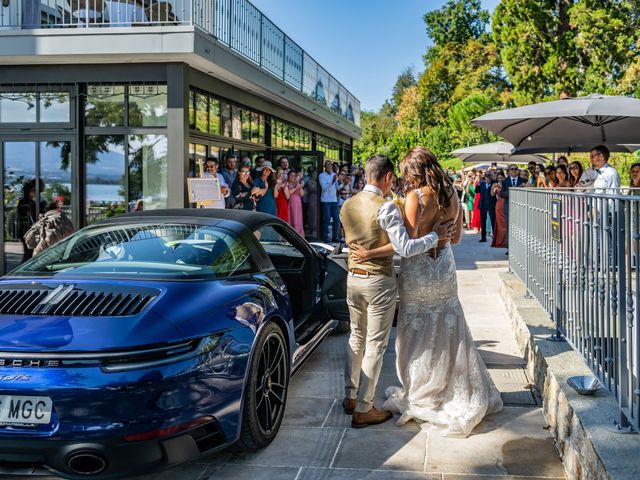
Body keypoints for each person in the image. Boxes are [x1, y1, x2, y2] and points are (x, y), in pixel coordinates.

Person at [349, 148, 502, 436]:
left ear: (414, 170)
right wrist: (438, 236)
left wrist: (369, 252)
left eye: (407, 171)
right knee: (447, 327)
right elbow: (454, 238)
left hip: (418, 272)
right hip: (444, 267)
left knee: (415, 332)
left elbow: (405, 244)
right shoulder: (451, 193)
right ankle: (450, 390)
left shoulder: (415, 197)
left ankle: (422, 394)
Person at [339, 153, 456, 428]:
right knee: (375, 345)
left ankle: (350, 395)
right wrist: (434, 237)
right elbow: (404, 247)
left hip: (352, 278)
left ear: (366, 175)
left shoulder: (347, 205)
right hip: (378, 280)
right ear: (388, 177)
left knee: (356, 336)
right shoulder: (388, 207)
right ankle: (364, 409)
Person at [501, 164, 525, 252]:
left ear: (518, 171)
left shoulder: (523, 180)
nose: (514, 170)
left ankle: (520, 246)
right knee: (509, 228)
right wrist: (512, 190)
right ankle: (509, 248)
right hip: (508, 207)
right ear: (509, 172)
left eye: (516, 169)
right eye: (512, 169)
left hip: (520, 207)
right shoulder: (505, 181)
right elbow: (502, 194)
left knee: (520, 228)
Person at [319, 160, 341, 243]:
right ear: (325, 166)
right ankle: (325, 237)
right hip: (326, 200)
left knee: (336, 219)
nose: (329, 166)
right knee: (327, 219)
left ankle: (335, 237)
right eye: (327, 165)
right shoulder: (321, 175)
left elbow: (337, 188)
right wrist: (332, 181)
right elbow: (324, 188)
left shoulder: (334, 175)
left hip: (334, 200)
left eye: (330, 165)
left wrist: (344, 184)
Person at [477, 172, 494, 243]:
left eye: (489, 176)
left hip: (491, 204)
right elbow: (476, 191)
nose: (487, 178)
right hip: (483, 204)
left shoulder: (493, 183)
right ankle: (483, 237)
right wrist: (478, 183)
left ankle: (494, 237)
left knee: (493, 220)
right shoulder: (482, 184)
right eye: (486, 176)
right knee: (483, 221)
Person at [491, 171, 507, 248]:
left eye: (501, 178)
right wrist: (494, 189)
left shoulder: (506, 184)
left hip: (505, 204)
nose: (500, 179)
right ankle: (500, 241)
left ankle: (505, 241)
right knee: (499, 223)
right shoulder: (495, 184)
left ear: (504, 177)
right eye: (499, 178)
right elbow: (492, 194)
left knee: (505, 223)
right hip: (498, 205)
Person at [287, 170, 305, 236]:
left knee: (298, 219)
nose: (293, 177)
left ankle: (298, 235)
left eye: (294, 175)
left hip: (298, 204)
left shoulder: (297, 184)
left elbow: (302, 194)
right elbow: (288, 193)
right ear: (288, 176)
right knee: (291, 217)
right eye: (291, 175)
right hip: (290, 203)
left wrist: (299, 186)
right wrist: (296, 188)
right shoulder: (286, 183)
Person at [304, 168, 319, 238]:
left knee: (316, 214)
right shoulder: (309, 181)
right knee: (312, 213)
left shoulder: (317, 181)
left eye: (316, 173)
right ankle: (312, 228)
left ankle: (315, 229)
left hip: (317, 198)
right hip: (312, 198)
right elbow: (311, 189)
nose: (315, 175)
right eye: (314, 173)